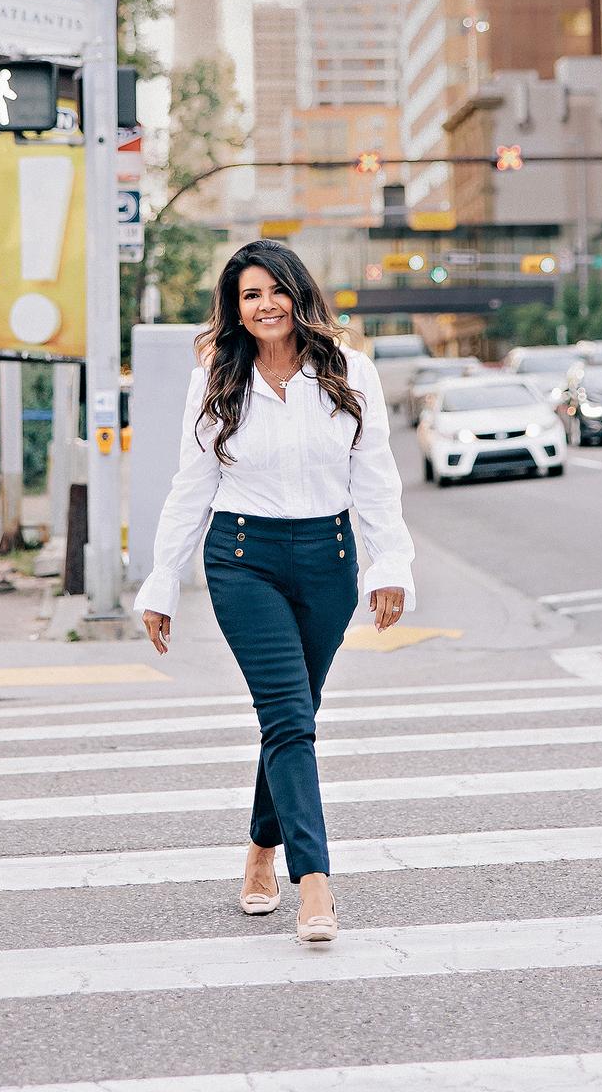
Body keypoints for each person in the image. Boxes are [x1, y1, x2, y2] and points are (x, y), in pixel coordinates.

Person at [137, 240, 414, 946]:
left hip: (329, 559)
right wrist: (162, 578)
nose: (264, 305)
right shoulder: (218, 379)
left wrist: (389, 565)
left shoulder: (349, 374)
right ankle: (313, 883)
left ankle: (260, 848)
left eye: (273, 290)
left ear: (298, 293)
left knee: (292, 715)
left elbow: (373, 477)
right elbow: (191, 483)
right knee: (290, 716)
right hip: (242, 558)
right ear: (235, 310)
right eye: (248, 295)